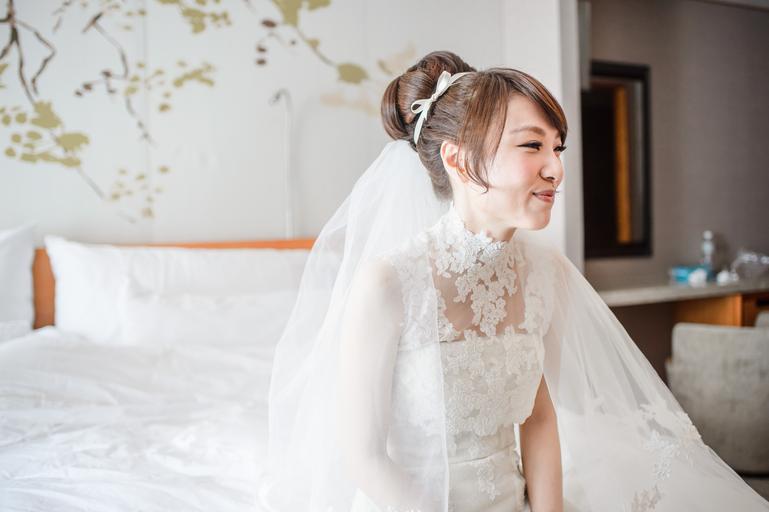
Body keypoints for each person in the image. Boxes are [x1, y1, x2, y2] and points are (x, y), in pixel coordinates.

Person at [257, 51, 769, 512]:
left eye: (558, 148)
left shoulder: (546, 274)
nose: (556, 170)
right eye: (532, 145)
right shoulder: (389, 284)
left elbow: (538, 418)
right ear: (458, 159)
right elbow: (364, 458)